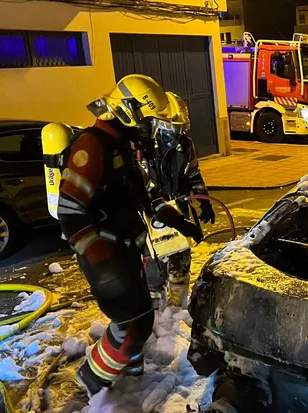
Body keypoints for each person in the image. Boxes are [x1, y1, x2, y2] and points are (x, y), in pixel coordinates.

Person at [57, 74, 203, 396]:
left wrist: (180, 223)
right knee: (132, 321)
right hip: (106, 254)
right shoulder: (92, 146)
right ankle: (92, 382)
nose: (150, 130)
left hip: (126, 251)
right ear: (127, 112)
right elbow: (69, 212)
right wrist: (102, 261)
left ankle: (130, 378)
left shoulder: (122, 147)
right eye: (149, 121)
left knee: (141, 318)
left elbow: (146, 199)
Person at [140, 93, 215, 307]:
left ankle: (176, 310)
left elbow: (193, 173)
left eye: (180, 127)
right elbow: (144, 187)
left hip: (179, 211)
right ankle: (156, 315)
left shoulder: (185, 144)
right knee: (154, 270)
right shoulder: (144, 150)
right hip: (153, 216)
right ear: (159, 124)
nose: (177, 132)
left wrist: (204, 200)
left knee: (181, 264)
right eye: (173, 127)